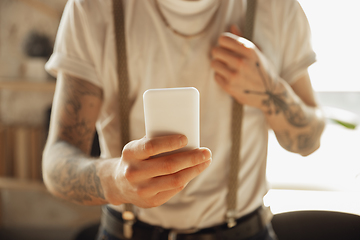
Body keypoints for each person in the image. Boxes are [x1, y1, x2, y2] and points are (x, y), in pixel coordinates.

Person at [43, 0, 325, 239]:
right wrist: (116, 181)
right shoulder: (93, 8)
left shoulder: (276, 7)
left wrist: (269, 89)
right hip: (127, 230)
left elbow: (309, 141)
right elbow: (55, 163)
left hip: (245, 230)